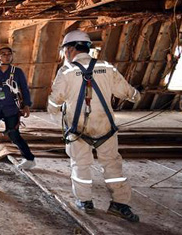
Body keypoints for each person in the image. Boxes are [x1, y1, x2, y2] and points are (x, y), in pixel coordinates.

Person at [48, 30, 140, 222]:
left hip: (78, 129)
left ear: (71, 49)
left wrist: (55, 114)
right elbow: (127, 92)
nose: (65, 54)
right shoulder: (107, 67)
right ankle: (120, 204)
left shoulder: (66, 72)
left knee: (81, 165)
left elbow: (55, 103)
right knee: (112, 165)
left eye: (65, 50)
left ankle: (85, 201)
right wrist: (136, 96)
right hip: (105, 128)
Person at [0, 45, 36, 170]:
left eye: (9, 54)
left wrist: (26, 105)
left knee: (14, 135)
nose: (7, 56)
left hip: (11, 108)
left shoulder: (17, 72)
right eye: (3, 54)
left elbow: (24, 89)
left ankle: (29, 159)